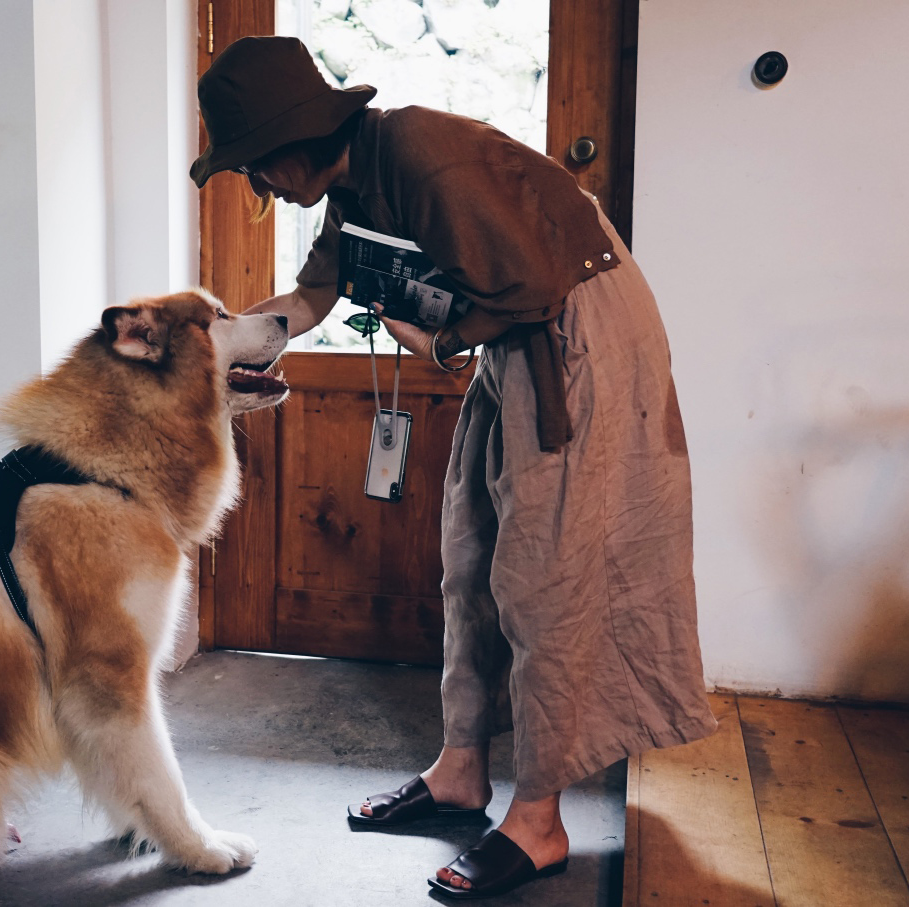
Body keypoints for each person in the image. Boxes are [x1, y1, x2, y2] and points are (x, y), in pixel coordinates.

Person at [191, 36, 717, 899]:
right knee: (469, 552)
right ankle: (460, 770)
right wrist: (211, 349)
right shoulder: (352, 186)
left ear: (298, 136)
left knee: (543, 575)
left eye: (255, 165)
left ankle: (539, 819)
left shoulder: (421, 156)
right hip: (518, 339)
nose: (258, 187)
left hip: (578, 333)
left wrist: (437, 341)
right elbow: (310, 301)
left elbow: (533, 292)